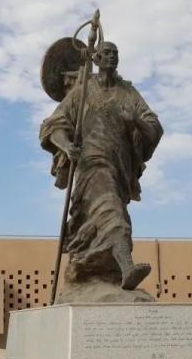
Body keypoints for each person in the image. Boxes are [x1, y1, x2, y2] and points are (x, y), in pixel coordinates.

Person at [40, 41, 163, 291]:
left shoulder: (128, 92)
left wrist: (136, 120)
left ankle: (97, 270)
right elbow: (54, 125)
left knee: (111, 213)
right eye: (106, 52)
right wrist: (66, 146)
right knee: (111, 211)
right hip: (92, 165)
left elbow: (154, 128)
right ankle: (127, 267)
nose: (112, 56)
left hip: (120, 168)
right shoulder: (83, 91)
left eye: (116, 53)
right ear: (95, 58)